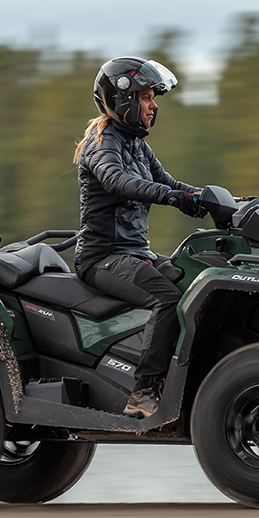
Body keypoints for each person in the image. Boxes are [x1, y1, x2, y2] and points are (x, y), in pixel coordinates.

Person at [73, 56, 207, 418]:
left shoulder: (136, 144)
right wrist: (172, 197)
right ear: (124, 100)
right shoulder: (102, 144)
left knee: (194, 282)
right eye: (147, 97)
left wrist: (217, 200)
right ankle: (144, 391)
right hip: (103, 258)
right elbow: (117, 180)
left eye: (153, 97)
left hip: (135, 253)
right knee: (167, 299)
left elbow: (171, 184)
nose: (154, 105)